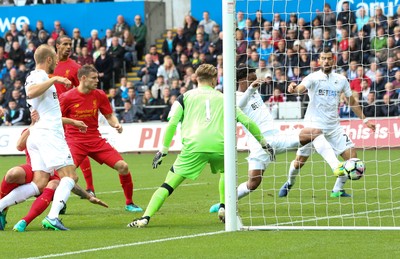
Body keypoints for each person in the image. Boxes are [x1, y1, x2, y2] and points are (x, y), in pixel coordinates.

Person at [127, 64, 274, 228]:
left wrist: (163, 150)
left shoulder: (184, 97)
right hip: (220, 146)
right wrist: (264, 144)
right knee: (225, 171)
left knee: (168, 185)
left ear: (196, 78)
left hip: (194, 147)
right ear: (214, 80)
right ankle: (223, 207)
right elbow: (248, 122)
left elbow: (172, 123)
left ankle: (145, 218)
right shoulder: (224, 98)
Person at [209, 64, 353, 213]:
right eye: (251, 78)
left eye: (254, 77)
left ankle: (336, 166)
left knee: (315, 132)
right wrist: (251, 88)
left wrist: (278, 83)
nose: (254, 80)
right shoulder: (233, 97)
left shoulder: (255, 91)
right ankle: (224, 204)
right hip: (259, 144)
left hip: (276, 137)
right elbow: (236, 108)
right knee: (253, 183)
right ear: (241, 80)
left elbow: (265, 83)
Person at [0, 45, 105, 231]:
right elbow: (31, 92)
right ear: (48, 59)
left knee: (39, 182)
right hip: (49, 135)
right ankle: (53, 217)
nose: (57, 62)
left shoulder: (43, 79)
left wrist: (72, 122)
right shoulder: (37, 76)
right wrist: (54, 78)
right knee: (70, 176)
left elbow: (49, 112)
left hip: (40, 134)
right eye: (55, 59)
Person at [279, 50, 376, 198]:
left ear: (333, 61)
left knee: (352, 157)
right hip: (313, 127)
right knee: (299, 162)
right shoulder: (313, 77)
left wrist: (365, 119)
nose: (326, 61)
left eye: (329, 59)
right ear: (319, 61)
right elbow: (300, 89)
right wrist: (293, 88)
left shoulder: (341, 79)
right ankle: (289, 183)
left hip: (334, 127)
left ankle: (337, 190)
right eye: (323, 58)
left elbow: (351, 101)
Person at [60, 65, 143, 215]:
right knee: (67, 176)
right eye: (94, 78)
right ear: (83, 78)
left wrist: (116, 124)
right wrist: (73, 123)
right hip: (74, 142)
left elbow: (109, 115)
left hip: (95, 140)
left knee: (123, 166)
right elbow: (55, 119)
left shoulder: (99, 95)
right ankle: (60, 203)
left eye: (97, 78)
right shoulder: (67, 97)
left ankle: (129, 203)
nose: (97, 81)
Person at [53, 35, 97, 198]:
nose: (68, 47)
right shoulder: (49, 64)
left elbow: (83, 90)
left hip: (69, 114)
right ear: (57, 46)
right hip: (51, 114)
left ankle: (90, 187)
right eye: (65, 44)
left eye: (70, 44)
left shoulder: (75, 67)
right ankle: (57, 188)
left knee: (78, 148)